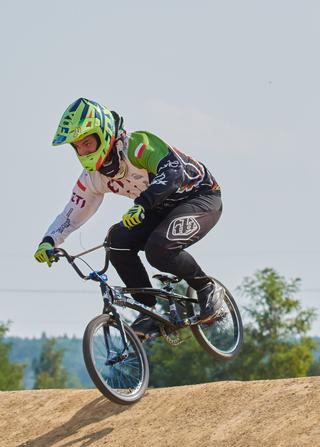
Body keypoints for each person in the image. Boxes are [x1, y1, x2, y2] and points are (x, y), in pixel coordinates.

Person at [34, 98, 224, 338]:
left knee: (159, 249)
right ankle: (148, 309)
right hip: (158, 209)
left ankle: (206, 287)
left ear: (103, 135)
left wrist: (142, 204)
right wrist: (50, 239)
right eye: (77, 146)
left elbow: (173, 172)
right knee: (117, 239)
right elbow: (73, 210)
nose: (82, 152)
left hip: (199, 197)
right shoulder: (93, 177)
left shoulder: (137, 145)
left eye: (87, 143)